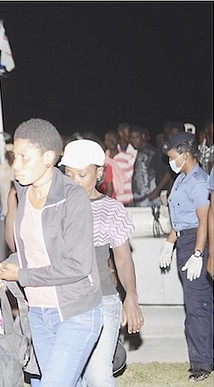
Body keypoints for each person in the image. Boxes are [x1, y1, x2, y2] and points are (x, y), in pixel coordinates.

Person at [0, 118, 102, 387]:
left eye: (24, 158)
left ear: (49, 158)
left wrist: (22, 274)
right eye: (13, 156)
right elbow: (32, 252)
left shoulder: (72, 197)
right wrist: (8, 266)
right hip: (38, 313)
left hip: (76, 312)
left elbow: (77, 266)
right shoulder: (23, 194)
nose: (15, 165)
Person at [60, 139, 145, 386]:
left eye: (82, 174)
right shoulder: (55, 208)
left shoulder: (111, 210)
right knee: (73, 376)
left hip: (102, 300)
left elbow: (123, 258)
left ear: (99, 173)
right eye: (69, 174)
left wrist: (131, 295)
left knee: (98, 375)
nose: (75, 180)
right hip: (65, 302)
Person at [158, 132, 213, 382]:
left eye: (172, 157)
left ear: (185, 154)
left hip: (196, 241)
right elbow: (179, 218)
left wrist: (198, 253)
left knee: (197, 306)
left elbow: (204, 221)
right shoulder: (181, 179)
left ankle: (202, 364)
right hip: (184, 239)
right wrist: (169, 244)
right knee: (196, 304)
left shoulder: (199, 182)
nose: (170, 161)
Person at [128, 125, 171, 207]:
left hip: (150, 200)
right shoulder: (140, 152)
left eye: (135, 137)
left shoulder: (153, 152)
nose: (132, 141)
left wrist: (156, 192)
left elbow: (168, 173)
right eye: (130, 138)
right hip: (140, 200)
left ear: (143, 136)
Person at [109, 125, 136, 206]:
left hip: (129, 196)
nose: (130, 135)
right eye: (128, 133)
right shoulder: (108, 156)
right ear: (121, 134)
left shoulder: (133, 150)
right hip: (115, 197)